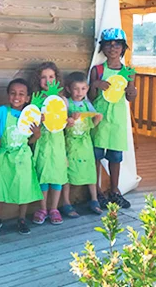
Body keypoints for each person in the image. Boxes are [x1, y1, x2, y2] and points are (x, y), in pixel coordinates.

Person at [0, 78, 44, 235]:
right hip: (4, 155)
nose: (16, 97)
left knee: (23, 187)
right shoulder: (4, 111)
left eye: (21, 94)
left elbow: (31, 140)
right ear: (8, 95)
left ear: (27, 98)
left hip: (22, 157)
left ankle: (22, 218)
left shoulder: (31, 115)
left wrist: (37, 135)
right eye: (13, 93)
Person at [89, 28, 137, 209]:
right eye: (108, 44)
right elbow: (91, 98)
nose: (113, 47)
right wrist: (95, 85)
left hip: (117, 120)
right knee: (96, 155)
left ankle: (114, 190)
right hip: (100, 120)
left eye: (117, 44)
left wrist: (133, 92)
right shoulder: (98, 70)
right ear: (102, 47)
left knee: (116, 156)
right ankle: (97, 191)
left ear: (123, 47)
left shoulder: (128, 71)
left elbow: (130, 97)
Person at [31, 62, 71, 225]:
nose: (48, 80)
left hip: (57, 143)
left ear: (57, 79)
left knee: (57, 175)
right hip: (42, 143)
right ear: (38, 80)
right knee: (43, 175)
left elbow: (64, 121)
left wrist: (69, 121)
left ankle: (54, 208)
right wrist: (38, 121)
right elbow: (31, 123)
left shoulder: (62, 100)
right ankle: (42, 208)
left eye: (51, 77)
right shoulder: (37, 100)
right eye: (43, 77)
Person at [61, 72, 103, 218]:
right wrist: (69, 120)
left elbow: (91, 124)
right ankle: (66, 202)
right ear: (68, 89)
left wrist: (97, 119)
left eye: (83, 89)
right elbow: (62, 124)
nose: (80, 92)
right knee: (68, 172)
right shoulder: (66, 103)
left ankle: (94, 199)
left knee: (90, 170)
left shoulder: (87, 104)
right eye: (76, 89)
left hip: (85, 143)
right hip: (71, 143)